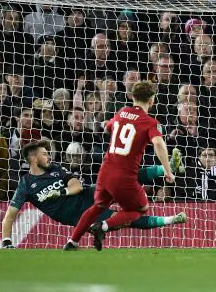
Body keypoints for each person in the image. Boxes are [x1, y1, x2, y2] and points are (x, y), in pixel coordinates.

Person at [0, 139, 188, 248]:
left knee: (123, 178)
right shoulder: (25, 185)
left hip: (89, 195)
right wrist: (6, 241)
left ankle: (167, 168)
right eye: (44, 153)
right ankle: (170, 220)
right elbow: (10, 216)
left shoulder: (55, 169)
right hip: (79, 215)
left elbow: (76, 185)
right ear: (33, 158)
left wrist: (60, 192)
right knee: (124, 219)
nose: (49, 156)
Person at [65, 81, 177, 251]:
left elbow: (109, 127)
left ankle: (72, 241)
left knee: (97, 207)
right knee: (141, 208)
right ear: (152, 100)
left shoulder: (122, 111)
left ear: (132, 97)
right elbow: (159, 143)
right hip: (123, 177)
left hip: (105, 172)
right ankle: (102, 226)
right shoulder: (149, 122)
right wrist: (168, 171)